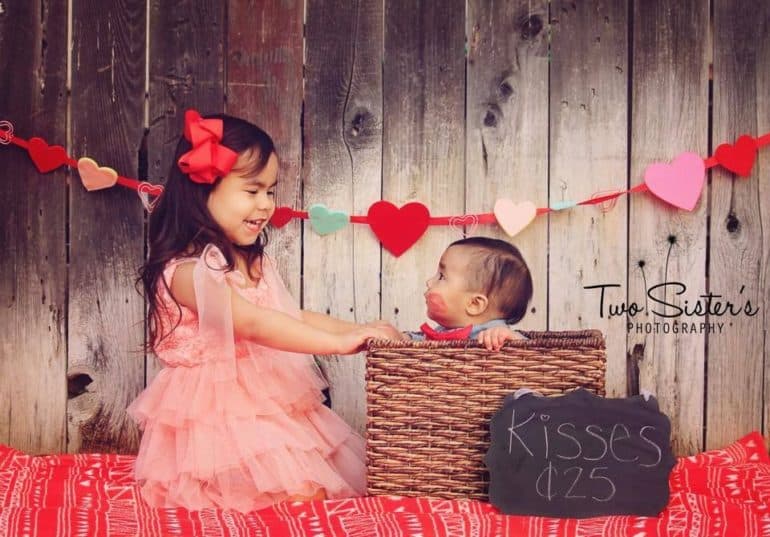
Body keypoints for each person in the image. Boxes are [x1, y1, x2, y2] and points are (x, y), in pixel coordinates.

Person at [127, 110, 390, 513]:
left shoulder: (253, 260)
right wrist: (337, 344)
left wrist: (356, 329)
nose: (266, 205)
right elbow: (250, 322)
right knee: (286, 493)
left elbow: (289, 315)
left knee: (315, 485)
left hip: (264, 400)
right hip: (215, 415)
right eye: (252, 191)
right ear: (203, 190)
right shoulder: (187, 272)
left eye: (271, 191)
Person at [384, 237, 533, 350]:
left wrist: (512, 339)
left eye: (441, 276)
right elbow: (422, 343)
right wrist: (398, 337)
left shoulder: (493, 334)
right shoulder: (446, 331)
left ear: (474, 304)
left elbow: (533, 354)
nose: (429, 282)